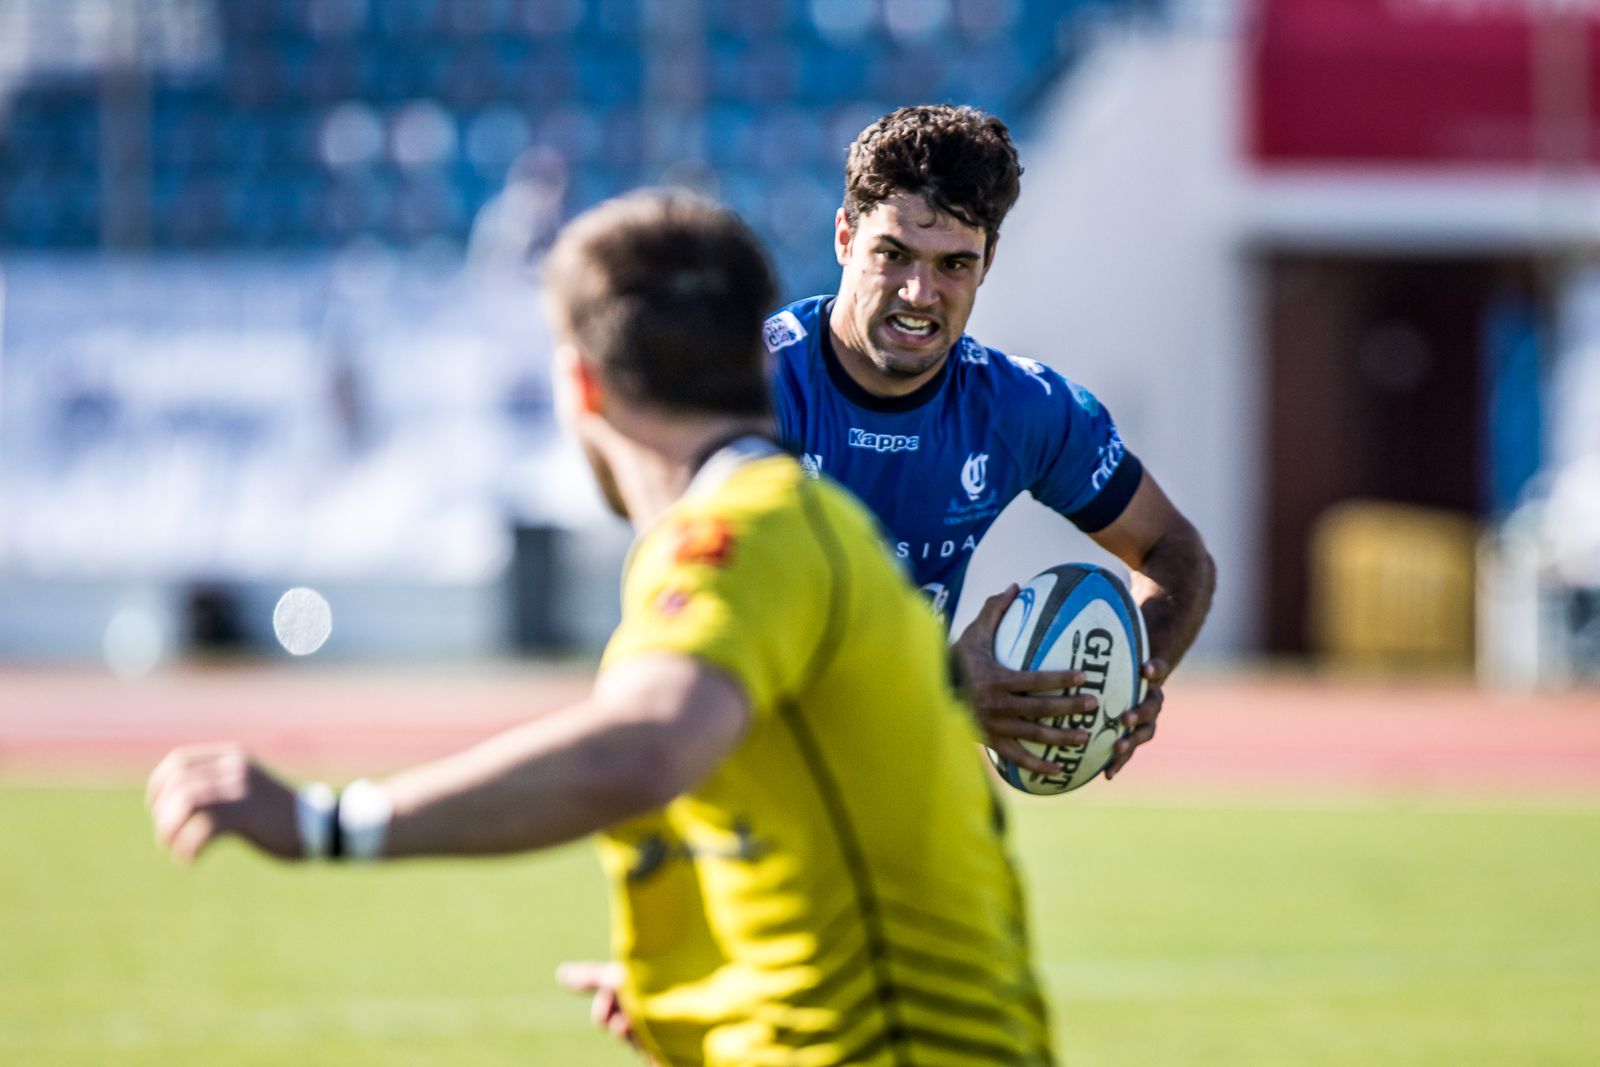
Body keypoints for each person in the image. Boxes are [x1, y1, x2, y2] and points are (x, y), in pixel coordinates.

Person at [146, 191, 1056, 1066]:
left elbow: (643, 748)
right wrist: (696, 995)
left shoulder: (745, 531)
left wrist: (326, 822)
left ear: (579, 384)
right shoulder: (793, 524)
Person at [767, 104, 1217, 782]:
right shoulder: (753, 393)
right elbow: (739, 646)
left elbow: (1177, 553)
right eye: (893, 254)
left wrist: (1129, 677)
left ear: (989, 261)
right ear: (844, 237)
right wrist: (944, 685)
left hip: (908, 786)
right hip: (757, 781)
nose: (920, 294)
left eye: (953, 263)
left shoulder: (1022, 409)